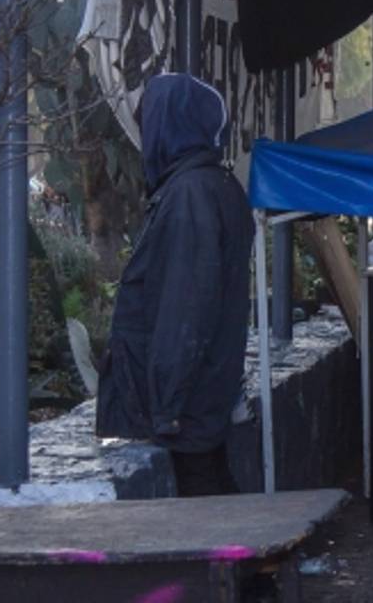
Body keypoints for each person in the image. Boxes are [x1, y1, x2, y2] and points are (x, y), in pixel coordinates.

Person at [97, 73, 255, 497]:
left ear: (170, 124)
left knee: (202, 507)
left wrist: (167, 408)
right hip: (202, 393)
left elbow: (183, 309)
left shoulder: (190, 195)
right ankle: (254, 563)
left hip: (188, 401)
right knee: (214, 492)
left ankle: (249, 564)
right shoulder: (211, 185)